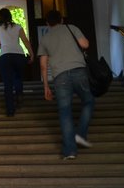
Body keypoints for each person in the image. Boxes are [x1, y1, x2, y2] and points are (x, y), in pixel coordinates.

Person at [37, 9, 94, 160]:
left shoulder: (45, 38)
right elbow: (85, 44)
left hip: (60, 77)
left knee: (64, 112)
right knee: (88, 101)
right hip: (79, 71)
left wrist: (46, 87)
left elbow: (43, 65)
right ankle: (80, 134)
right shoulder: (72, 28)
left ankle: (70, 151)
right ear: (61, 19)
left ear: (47, 23)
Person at [0, 8, 34, 117]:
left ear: (0, 17)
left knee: (8, 83)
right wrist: (31, 54)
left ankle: (10, 110)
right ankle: (19, 94)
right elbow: (25, 41)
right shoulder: (18, 27)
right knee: (18, 77)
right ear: (10, 16)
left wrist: (4, 43)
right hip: (19, 55)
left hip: (5, 56)